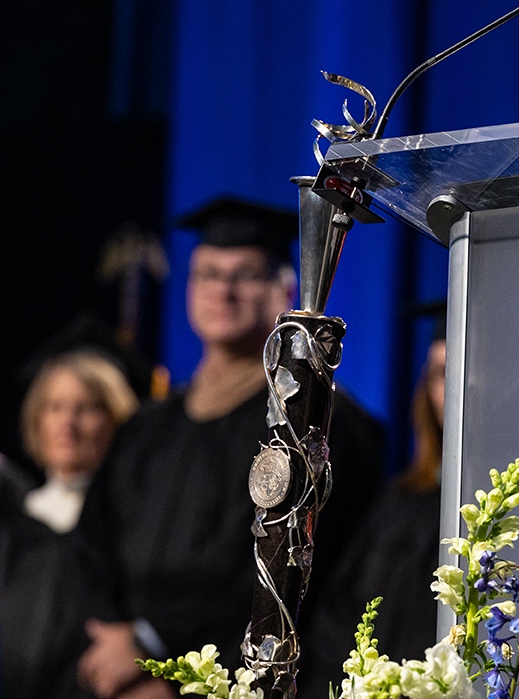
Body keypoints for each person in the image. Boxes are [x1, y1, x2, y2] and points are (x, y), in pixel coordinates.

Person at [76, 197, 386, 699]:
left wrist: (158, 656)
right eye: (208, 275)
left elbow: (294, 570)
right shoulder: (146, 426)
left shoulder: (319, 426)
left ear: (284, 290)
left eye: (244, 275)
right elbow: (91, 545)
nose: (223, 290)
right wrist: (115, 643)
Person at [306, 334, 446, 689]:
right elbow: (337, 614)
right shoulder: (397, 503)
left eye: (463, 371)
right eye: (441, 373)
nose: (455, 390)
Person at [0, 350, 138, 698]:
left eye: (88, 408)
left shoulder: (131, 525)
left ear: (117, 419)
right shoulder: (10, 522)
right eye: (54, 407)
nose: (68, 424)